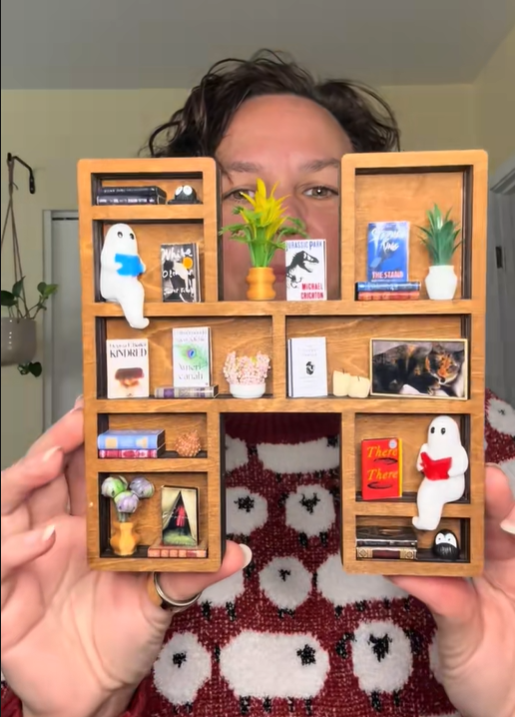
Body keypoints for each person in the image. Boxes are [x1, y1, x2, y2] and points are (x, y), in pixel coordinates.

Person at [1, 50, 514, 717]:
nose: (285, 217)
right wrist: (78, 702)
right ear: (193, 232)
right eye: (240, 194)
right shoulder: (102, 452)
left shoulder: (490, 442)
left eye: (321, 189)